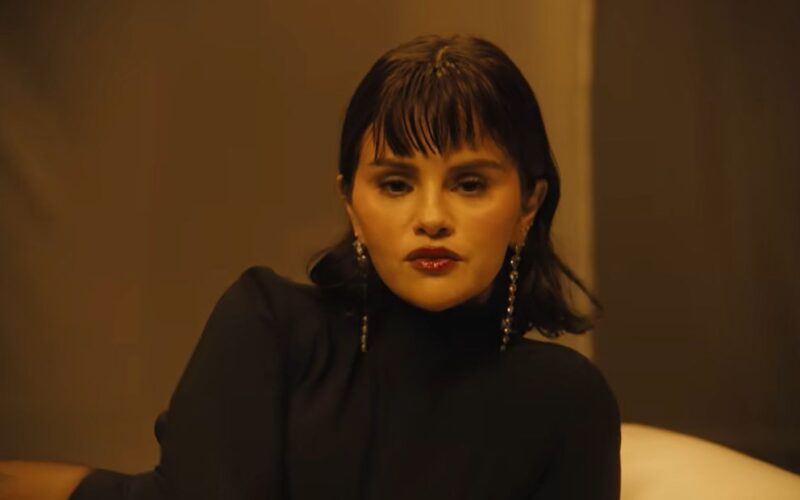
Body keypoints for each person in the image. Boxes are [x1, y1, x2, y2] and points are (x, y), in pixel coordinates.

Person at [0, 34, 620, 499]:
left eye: (469, 183)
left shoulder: (568, 402)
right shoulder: (271, 326)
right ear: (352, 204)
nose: (431, 218)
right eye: (396, 184)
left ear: (528, 205)